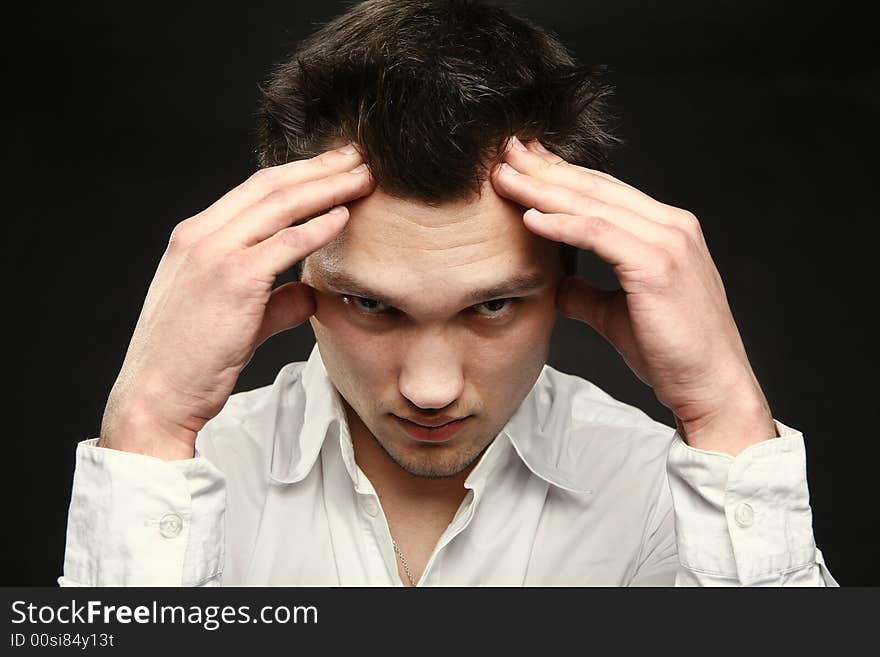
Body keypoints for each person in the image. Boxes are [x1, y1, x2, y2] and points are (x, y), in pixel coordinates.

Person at [60, 0, 837, 586]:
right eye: (373, 304)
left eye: (492, 305)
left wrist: (729, 416)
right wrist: (149, 428)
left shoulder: (681, 489)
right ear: (298, 274)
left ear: (568, 276)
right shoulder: (172, 478)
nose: (430, 388)